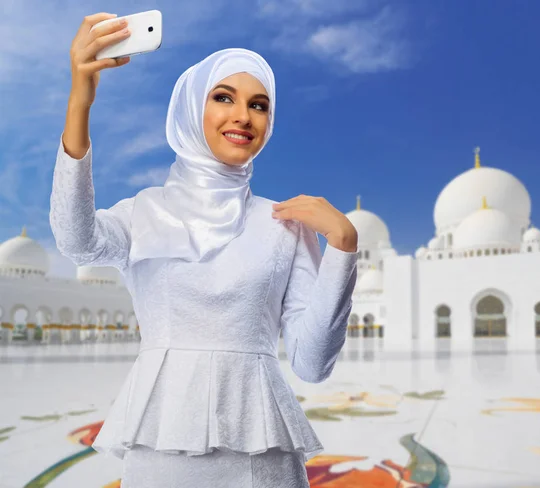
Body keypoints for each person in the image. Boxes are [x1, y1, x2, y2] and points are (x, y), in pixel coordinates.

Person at [50, 12, 359, 488]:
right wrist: (80, 102)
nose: (243, 116)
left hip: (264, 458)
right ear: (192, 108)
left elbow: (312, 364)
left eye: (259, 105)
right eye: (223, 98)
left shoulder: (285, 224)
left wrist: (343, 247)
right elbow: (76, 241)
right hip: (164, 444)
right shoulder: (145, 211)